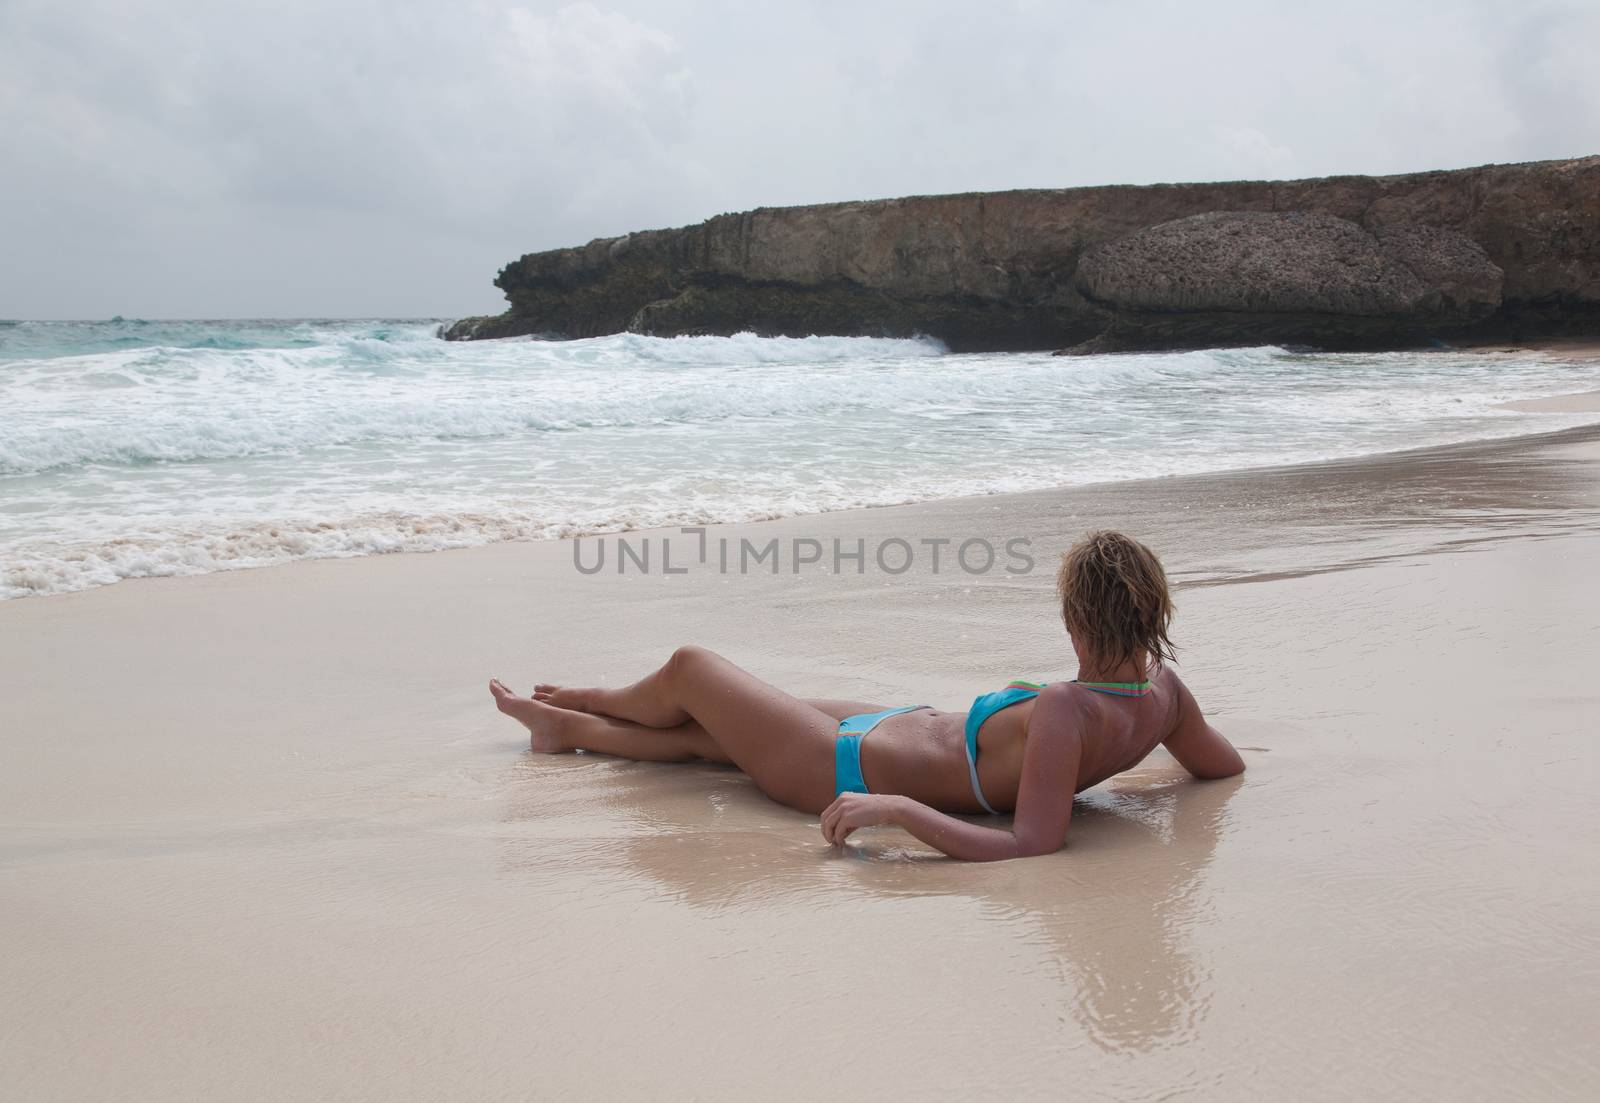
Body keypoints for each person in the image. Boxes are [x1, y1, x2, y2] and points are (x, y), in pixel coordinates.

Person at [489, 530, 1244, 861]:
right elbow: (1221, 766)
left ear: (1076, 617)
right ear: (1153, 613)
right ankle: (569, 728)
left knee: (693, 672)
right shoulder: (1163, 694)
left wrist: (898, 812)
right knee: (708, 735)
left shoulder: (1068, 709)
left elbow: (1032, 843)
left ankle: (589, 701)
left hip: (849, 768)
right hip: (893, 725)